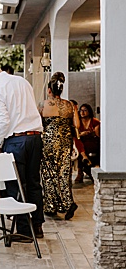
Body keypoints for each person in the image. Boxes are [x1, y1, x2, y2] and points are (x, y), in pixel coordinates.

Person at [0, 55, 45, 240]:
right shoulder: (22, 81)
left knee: (16, 185)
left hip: (16, 141)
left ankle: (24, 229)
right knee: (33, 183)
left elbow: (3, 120)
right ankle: (37, 226)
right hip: (36, 137)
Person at [38, 72, 78, 220]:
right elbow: (77, 125)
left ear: (49, 90)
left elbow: (38, 124)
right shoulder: (69, 105)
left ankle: (51, 206)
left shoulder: (44, 104)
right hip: (66, 141)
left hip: (49, 141)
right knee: (64, 173)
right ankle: (68, 203)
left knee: (48, 173)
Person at [76, 103, 100, 182]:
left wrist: (92, 132)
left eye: (85, 110)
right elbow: (76, 135)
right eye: (81, 110)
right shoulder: (78, 122)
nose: (82, 112)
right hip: (81, 141)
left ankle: (91, 165)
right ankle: (80, 171)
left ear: (89, 111)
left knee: (93, 145)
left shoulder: (94, 121)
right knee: (79, 144)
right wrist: (81, 134)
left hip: (92, 141)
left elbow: (98, 135)